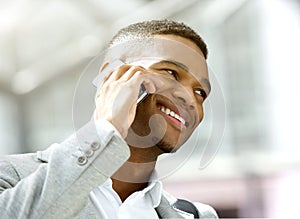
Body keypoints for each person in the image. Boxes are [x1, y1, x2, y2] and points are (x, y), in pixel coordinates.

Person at [0, 20, 218, 218]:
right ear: (109, 77)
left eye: (200, 93)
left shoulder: (198, 216)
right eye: (171, 72)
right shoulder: (9, 176)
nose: (189, 98)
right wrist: (106, 130)